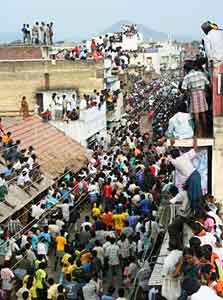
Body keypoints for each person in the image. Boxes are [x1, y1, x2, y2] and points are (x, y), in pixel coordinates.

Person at [169, 138, 202, 210]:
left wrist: (171, 144)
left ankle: (196, 211)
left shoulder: (174, 162)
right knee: (196, 195)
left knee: (193, 197)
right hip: (196, 175)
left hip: (192, 178)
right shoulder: (185, 156)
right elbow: (195, 148)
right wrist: (195, 139)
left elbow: (170, 155)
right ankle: (196, 210)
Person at [181, 61, 209, 137]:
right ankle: (206, 132)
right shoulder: (201, 73)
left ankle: (199, 133)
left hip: (194, 95)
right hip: (202, 94)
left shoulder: (187, 77)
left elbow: (183, 88)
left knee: (196, 116)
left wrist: (188, 92)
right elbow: (207, 83)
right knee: (203, 114)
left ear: (187, 70)